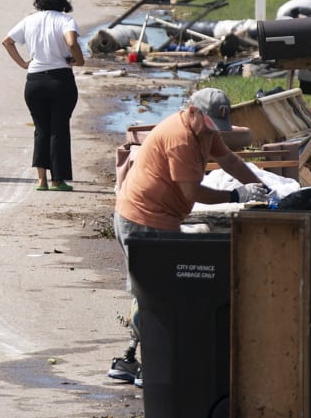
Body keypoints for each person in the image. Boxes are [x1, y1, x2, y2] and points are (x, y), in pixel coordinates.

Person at [106, 87, 270, 387]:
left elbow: (230, 161)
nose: (212, 133)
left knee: (157, 291)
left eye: (216, 128)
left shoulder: (204, 131)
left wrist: (263, 190)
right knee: (154, 294)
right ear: (192, 111)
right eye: (208, 125)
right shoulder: (179, 138)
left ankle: (132, 359)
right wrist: (236, 193)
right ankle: (145, 363)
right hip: (142, 220)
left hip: (160, 218)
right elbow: (191, 193)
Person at [0, 0, 83, 191]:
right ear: (63, 0)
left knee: (41, 129)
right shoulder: (65, 20)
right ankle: (58, 180)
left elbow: (7, 41)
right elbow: (72, 42)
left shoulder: (30, 20)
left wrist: (23, 64)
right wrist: (78, 59)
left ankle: (41, 180)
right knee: (59, 129)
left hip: (35, 80)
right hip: (60, 80)